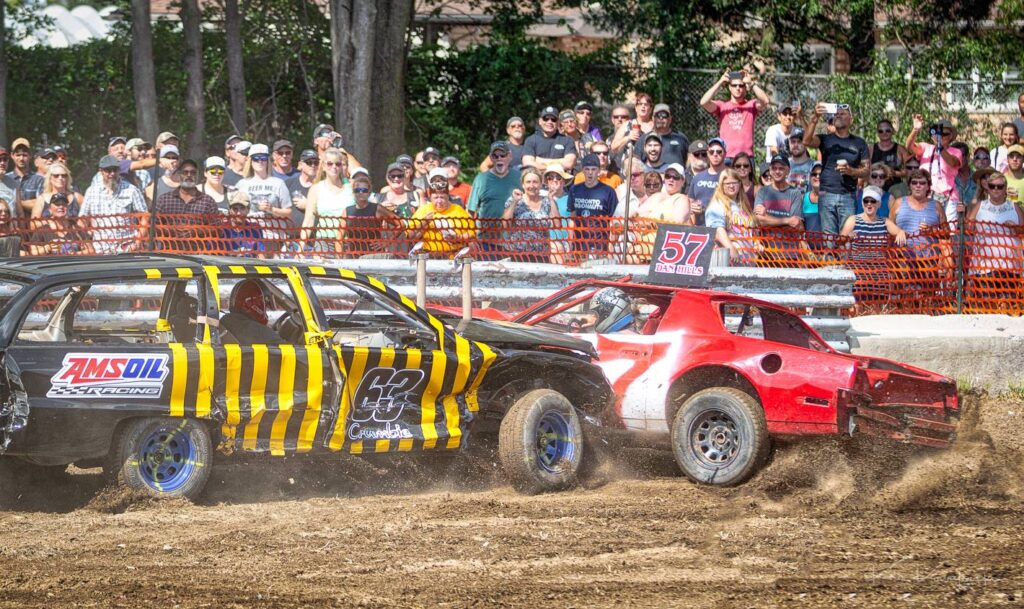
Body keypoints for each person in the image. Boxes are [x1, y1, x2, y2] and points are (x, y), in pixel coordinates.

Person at [803, 104, 870, 235]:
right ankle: (828, 256)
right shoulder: (825, 139)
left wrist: (851, 171)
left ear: (851, 119)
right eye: (836, 114)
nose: (838, 115)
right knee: (829, 238)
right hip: (826, 193)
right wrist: (815, 118)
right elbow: (806, 141)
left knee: (846, 239)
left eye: (843, 114)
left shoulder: (859, 143)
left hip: (848, 195)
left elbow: (867, 170)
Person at [839, 185, 907, 309]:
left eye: (873, 201)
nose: (869, 204)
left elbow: (900, 232)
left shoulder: (884, 222)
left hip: (879, 275)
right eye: (866, 201)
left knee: (877, 310)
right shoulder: (853, 220)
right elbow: (840, 240)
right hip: (858, 273)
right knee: (857, 309)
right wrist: (848, 237)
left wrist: (901, 232)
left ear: (879, 204)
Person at [965, 172, 1024, 306]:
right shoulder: (980, 206)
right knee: (986, 307)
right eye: (992, 186)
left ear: (1005, 188)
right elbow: (968, 229)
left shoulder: (1015, 207)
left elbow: (1023, 231)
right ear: (988, 188)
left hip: (1010, 268)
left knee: (1009, 308)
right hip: (984, 267)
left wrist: (1016, 228)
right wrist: (965, 215)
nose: (996, 189)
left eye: (1000, 186)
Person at [80, 155, 149, 253]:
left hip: (127, 248)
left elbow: (145, 216)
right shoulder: (91, 191)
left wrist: (137, 243)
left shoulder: (131, 190)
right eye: (108, 170)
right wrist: (88, 244)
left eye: (115, 170)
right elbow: (82, 220)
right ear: (101, 171)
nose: (112, 173)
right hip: (100, 249)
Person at [699, 69, 770, 158]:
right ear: (730, 87)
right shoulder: (722, 106)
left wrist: (751, 84)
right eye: (734, 85)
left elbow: (765, 101)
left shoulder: (751, 105)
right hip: (726, 156)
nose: (737, 88)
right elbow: (704, 102)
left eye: (741, 85)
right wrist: (720, 82)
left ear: (745, 88)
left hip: (746, 157)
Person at [905, 114, 963, 221]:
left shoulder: (956, 151)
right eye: (939, 133)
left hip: (949, 197)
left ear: (950, 137)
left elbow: (952, 162)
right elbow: (909, 146)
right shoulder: (926, 147)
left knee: (948, 231)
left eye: (944, 134)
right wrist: (915, 129)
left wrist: (939, 146)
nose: (941, 136)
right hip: (927, 196)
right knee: (926, 228)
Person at [468, 141, 521, 254]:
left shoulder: (519, 177)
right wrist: (470, 237)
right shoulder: (481, 179)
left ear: (510, 157)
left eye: (503, 155)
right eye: (495, 156)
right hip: (485, 241)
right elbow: (470, 211)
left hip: (514, 241)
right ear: (491, 158)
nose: (499, 158)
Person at [154, 159, 220, 251]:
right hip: (169, 254)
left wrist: (196, 232)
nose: (189, 175)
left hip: (198, 255)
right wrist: (172, 231)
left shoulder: (207, 201)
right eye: (185, 172)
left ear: (197, 176)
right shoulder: (164, 200)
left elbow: (217, 228)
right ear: (179, 174)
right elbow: (153, 225)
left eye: (193, 173)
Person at [407, 168, 475, 255]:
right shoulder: (424, 210)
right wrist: (424, 222)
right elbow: (409, 234)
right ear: (430, 196)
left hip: (452, 257)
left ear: (448, 195)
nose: (439, 201)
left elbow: (472, 233)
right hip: (429, 257)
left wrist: (458, 238)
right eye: (435, 198)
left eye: (442, 197)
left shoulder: (458, 209)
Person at [501, 167, 561, 262]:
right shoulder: (514, 200)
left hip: (541, 255)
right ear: (523, 185)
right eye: (528, 182)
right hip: (517, 255)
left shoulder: (547, 202)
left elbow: (557, 225)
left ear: (541, 184)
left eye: (535, 182)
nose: (532, 186)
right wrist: (514, 202)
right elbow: (505, 225)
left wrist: (551, 199)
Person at [300, 148, 353, 253]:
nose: (334, 167)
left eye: (338, 164)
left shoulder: (352, 187)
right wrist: (300, 248)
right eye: (330, 164)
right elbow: (308, 221)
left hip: (349, 242)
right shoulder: (316, 189)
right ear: (323, 166)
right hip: (323, 243)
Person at [568, 154, 618, 256]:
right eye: (587, 169)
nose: (590, 173)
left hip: (600, 246)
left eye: (594, 169)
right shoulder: (574, 189)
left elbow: (614, 222)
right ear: (582, 170)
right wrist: (570, 245)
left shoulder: (608, 191)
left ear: (599, 171)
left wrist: (610, 249)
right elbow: (572, 219)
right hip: (579, 245)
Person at [705, 168, 755, 263]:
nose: (731, 186)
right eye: (727, 183)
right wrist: (731, 248)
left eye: (734, 183)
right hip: (728, 260)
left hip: (748, 261)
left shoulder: (743, 205)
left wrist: (756, 243)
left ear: (740, 184)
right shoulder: (717, 205)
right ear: (721, 186)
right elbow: (717, 231)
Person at [341, 172, 397, 256]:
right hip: (353, 257)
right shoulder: (347, 211)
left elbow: (401, 224)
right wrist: (339, 258)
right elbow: (339, 237)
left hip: (374, 256)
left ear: (369, 192)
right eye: (357, 190)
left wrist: (387, 241)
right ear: (353, 192)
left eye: (364, 190)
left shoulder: (377, 209)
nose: (360, 193)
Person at [220, 279, 285, 345]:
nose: (266, 311)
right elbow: (291, 350)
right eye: (266, 306)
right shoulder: (259, 332)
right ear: (255, 305)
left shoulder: (226, 321)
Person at [27, 192, 93, 256]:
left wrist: (75, 254)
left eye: (64, 204)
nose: (61, 207)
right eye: (57, 204)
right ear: (50, 209)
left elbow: (91, 250)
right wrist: (47, 248)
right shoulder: (42, 230)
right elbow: (32, 252)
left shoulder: (76, 229)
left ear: (67, 208)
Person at [686, 137, 729, 223]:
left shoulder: (730, 176)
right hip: (700, 228)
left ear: (725, 154)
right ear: (708, 154)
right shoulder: (698, 178)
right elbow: (690, 203)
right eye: (711, 152)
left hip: (723, 226)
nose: (715, 154)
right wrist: (692, 207)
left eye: (719, 152)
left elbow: (737, 204)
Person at [522, 106, 577, 172]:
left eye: (553, 119)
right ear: (540, 121)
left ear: (558, 122)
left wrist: (540, 161)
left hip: (559, 181)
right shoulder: (531, 140)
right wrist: (560, 162)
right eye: (546, 119)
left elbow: (569, 164)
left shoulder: (568, 140)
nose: (550, 122)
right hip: (539, 181)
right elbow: (528, 164)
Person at [221, 192, 265, 257]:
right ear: (230, 210)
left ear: (248, 209)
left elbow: (261, 254)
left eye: (242, 208)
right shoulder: (222, 229)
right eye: (235, 209)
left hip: (250, 266)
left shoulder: (255, 229)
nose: (238, 213)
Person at [869, 118, 909, 187]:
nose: (884, 133)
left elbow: (910, 171)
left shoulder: (901, 149)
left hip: (895, 188)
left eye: (887, 130)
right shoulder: (871, 149)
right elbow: (864, 170)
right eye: (881, 131)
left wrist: (895, 173)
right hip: (875, 187)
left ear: (892, 131)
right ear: (877, 133)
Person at [285, 149, 319, 226]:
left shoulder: (322, 186)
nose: (313, 165)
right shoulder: (288, 184)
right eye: (309, 162)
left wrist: (308, 206)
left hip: (315, 235)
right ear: (300, 164)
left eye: (316, 163)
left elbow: (328, 211)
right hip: (290, 235)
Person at [952, 142, 977, 207]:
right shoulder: (948, 179)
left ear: (968, 156)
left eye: (960, 155)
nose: (957, 159)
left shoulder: (977, 178)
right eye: (954, 156)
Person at [802, 164, 823, 233]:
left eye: (821, 174)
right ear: (810, 177)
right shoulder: (803, 198)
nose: (817, 176)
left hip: (829, 243)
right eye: (814, 174)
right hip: (808, 243)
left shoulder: (831, 198)